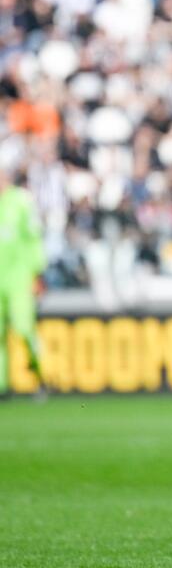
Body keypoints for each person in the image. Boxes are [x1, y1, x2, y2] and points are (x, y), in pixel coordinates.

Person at [0, 166, 45, 397]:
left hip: (19, 278)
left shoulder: (20, 202)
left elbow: (33, 238)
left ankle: (40, 375)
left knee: (24, 328)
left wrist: (37, 272)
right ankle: (2, 386)